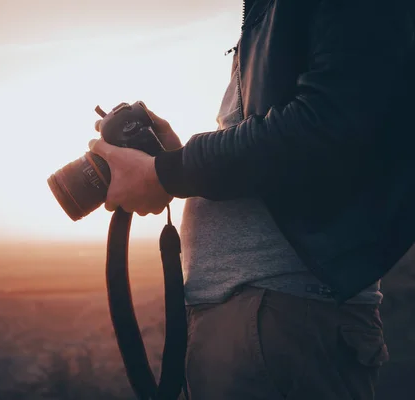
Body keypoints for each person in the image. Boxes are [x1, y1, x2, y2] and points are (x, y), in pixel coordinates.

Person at [88, 0, 415, 399]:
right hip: (263, 321)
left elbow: (327, 125)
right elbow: (276, 146)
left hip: (283, 318)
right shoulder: (266, 16)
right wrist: (171, 160)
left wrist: (167, 172)